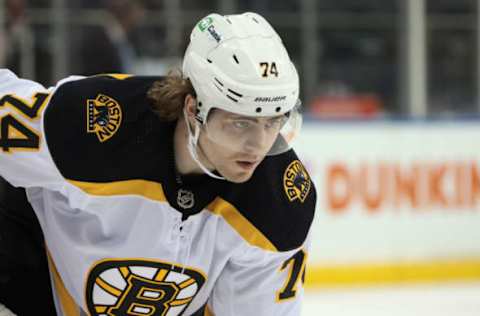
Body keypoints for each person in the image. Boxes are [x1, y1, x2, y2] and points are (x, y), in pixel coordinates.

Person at [0, 12, 316, 316]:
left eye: (273, 122)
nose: (259, 146)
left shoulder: (280, 202)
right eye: (240, 123)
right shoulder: (95, 125)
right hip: (28, 270)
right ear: (193, 109)